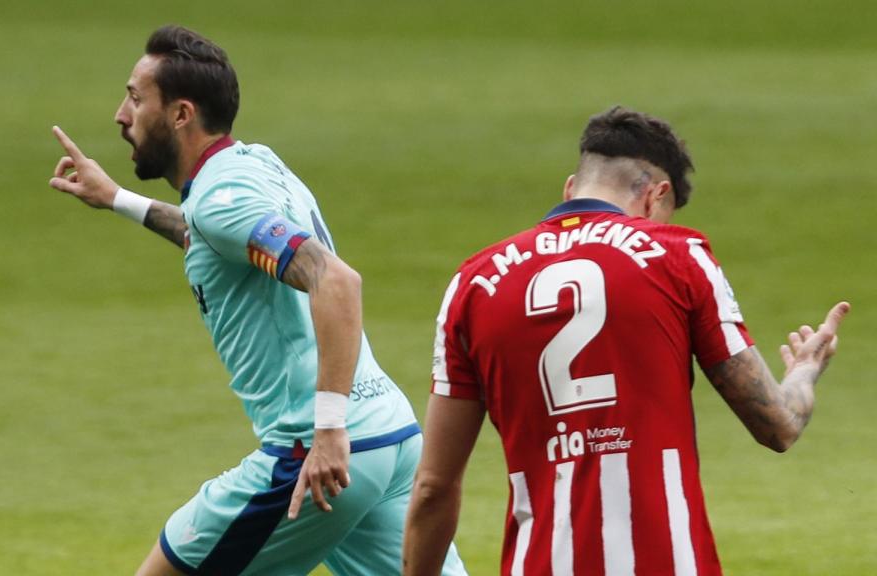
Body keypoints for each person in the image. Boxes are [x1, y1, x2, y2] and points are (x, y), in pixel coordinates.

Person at [48, 24, 466, 576]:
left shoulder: (221, 198)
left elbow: (336, 281)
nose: (120, 116)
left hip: (319, 453)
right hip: (388, 436)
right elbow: (213, 236)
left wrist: (327, 430)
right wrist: (119, 199)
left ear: (180, 114)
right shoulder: (251, 165)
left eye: (134, 98)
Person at [402, 106, 850, 576]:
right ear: (656, 197)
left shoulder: (473, 284)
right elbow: (777, 425)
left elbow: (433, 488)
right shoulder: (679, 255)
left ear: (571, 188)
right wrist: (804, 371)